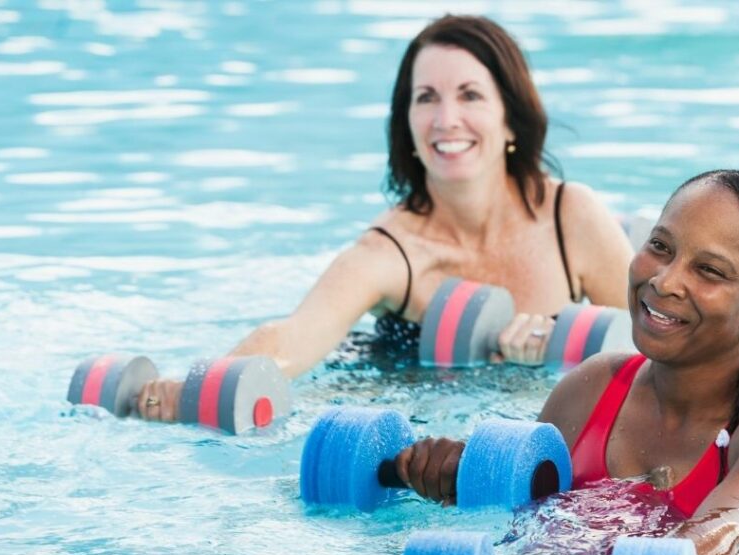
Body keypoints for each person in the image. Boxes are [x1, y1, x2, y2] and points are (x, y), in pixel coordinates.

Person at [393, 170, 739, 555]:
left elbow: (735, 539)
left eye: (709, 270)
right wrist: (461, 475)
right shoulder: (591, 390)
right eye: (660, 246)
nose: (665, 280)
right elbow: (528, 518)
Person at [136, 14, 632, 421]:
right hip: (419, 409)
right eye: (426, 98)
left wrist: (567, 357)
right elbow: (292, 339)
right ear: (408, 125)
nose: (446, 119)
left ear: (510, 117)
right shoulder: (391, 251)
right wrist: (202, 386)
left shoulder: (572, 216)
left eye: (470, 95)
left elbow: (657, 344)